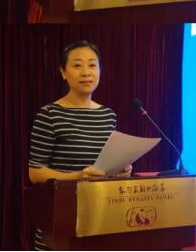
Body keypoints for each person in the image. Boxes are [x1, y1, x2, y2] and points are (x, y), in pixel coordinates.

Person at [28, 41, 131, 250]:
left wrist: (119, 170)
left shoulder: (108, 115)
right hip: (61, 219)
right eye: (77, 65)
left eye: (92, 65)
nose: (86, 72)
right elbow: (35, 173)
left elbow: (103, 167)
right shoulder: (49, 114)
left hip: (100, 218)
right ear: (63, 72)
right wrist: (78, 176)